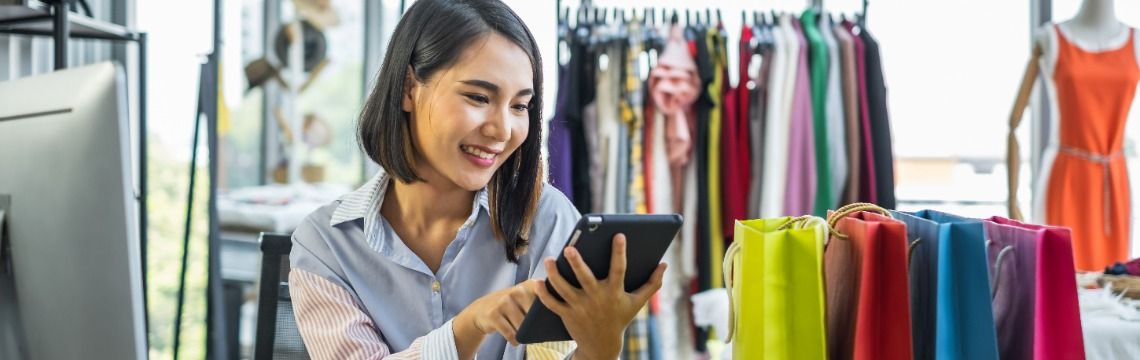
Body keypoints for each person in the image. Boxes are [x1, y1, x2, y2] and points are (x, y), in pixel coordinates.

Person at [288, 0, 666, 359]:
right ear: (408, 88)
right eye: (478, 97)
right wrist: (468, 327)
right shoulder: (325, 245)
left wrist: (600, 348)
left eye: (520, 106)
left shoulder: (549, 220)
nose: (503, 129)